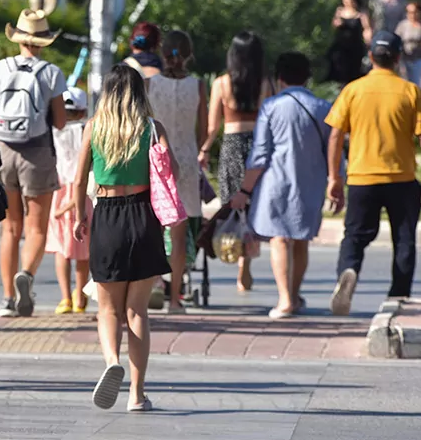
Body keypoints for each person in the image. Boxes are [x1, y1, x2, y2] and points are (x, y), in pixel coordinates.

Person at [72, 64, 175, 412]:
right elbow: (168, 170)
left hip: (108, 215)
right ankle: (137, 394)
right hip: (144, 217)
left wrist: (78, 217)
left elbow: (77, 181)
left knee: (108, 309)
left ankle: (111, 360)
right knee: (138, 312)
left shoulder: (94, 127)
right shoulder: (151, 128)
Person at [324, 31, 421, 316]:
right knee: (404, 239)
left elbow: (335, 136)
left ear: (370, 58)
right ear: (397, 58)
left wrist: (335, 178)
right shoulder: (410, 91)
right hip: (401, 179)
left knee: (354, 236)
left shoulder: (353, 90)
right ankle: (399, 296)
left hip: (361, 178)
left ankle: (348, 271)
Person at [229, 52, 332, 319]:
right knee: (301, 240)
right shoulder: (323, 107)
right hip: (311, 181)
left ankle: (285, 299)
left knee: (280, 239)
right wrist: (336, 182)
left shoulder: (272, 107)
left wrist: (244, 190)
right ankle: (294, 295)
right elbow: (333, 151)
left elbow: (260, 154)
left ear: (279, 79)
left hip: (277, 183)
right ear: (307, 77)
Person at [0, 9, 68, 318]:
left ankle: (6, 299)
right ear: (43, 41)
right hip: (37, 154)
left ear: (17, 38)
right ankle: (26, 275)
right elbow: (59, 121)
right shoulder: (51, 73)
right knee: (37, 227)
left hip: (4, 152)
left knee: (11, 228)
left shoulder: (0, 68)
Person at [200, 31, 274, 292]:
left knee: (233, 205)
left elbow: (213, 126)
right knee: (254, 208)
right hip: (257, 145)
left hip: (232, 147)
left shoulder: (220, 83)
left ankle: (238, 253)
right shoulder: (266, 83)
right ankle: (246, 264)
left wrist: (205, 149)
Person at [145, 30, 207, 313]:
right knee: (180, 235)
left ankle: (153, 284)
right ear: (189, 53)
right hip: (186, 160)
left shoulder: (150, 84)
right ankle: (174, 299)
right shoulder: (198, 86)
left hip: (156, 159)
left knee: (153, 228)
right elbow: (203, 130)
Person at [48, 87, 92, 315]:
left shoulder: (53, 132)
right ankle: (80, 297)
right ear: (83, 111)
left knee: (61, 250)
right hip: (83, 191)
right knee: (82, 250)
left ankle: (66, 297)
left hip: (59, 190)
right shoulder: (86, 130)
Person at [327, 0, 372, 84]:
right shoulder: (339, 11)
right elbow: (334, 24)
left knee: (355, 70)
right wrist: (337, 23)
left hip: (355, 46)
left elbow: (366, 28)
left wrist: (368, 39)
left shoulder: (361, 14)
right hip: (341, 47)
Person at [394, 1, 421, 88]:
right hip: (405, 56)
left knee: (415, 82)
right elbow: (396, 39)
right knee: (404, 81)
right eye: (409, 12)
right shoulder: (403, 25)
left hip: (419, 57)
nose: (411, 14)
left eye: (414, 12)